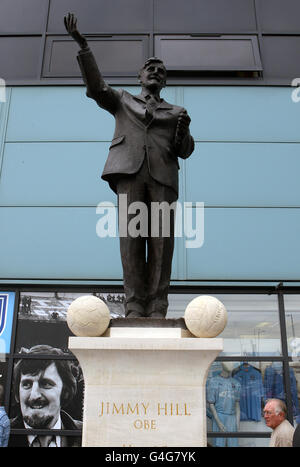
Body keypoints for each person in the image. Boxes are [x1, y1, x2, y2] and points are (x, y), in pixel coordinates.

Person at [64, 13, 194, 319]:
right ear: (140, 76)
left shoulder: (177, 112)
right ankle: (135, 304)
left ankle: (158, 305)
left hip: (162, 177)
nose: (156, 72)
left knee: (162, 243)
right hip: (129, 174)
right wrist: (83, 47)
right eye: (150, 68)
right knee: (131, 240)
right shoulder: (123, 100)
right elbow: (97, 88)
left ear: (165, 80)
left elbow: (186, 150)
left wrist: (183, 133)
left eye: (161, 71)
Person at [9, 345, 82, 447]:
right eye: (27, 384)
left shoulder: (86, 433)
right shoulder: (3, 433)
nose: (34, 396)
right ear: (17, 392)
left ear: (65, 392)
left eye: (46, 384)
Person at [207, 362, 241, 447]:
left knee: (233, 444)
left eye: (233, 363)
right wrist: (218, 421)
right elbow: (211, 404)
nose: (231, 364)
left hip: (232, 417)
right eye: (229, 362)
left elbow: (237, 404)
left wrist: (237, 422)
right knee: (218, 443)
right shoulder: (213, 381)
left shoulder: (236, 383)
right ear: (222, 364)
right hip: (219, 415)